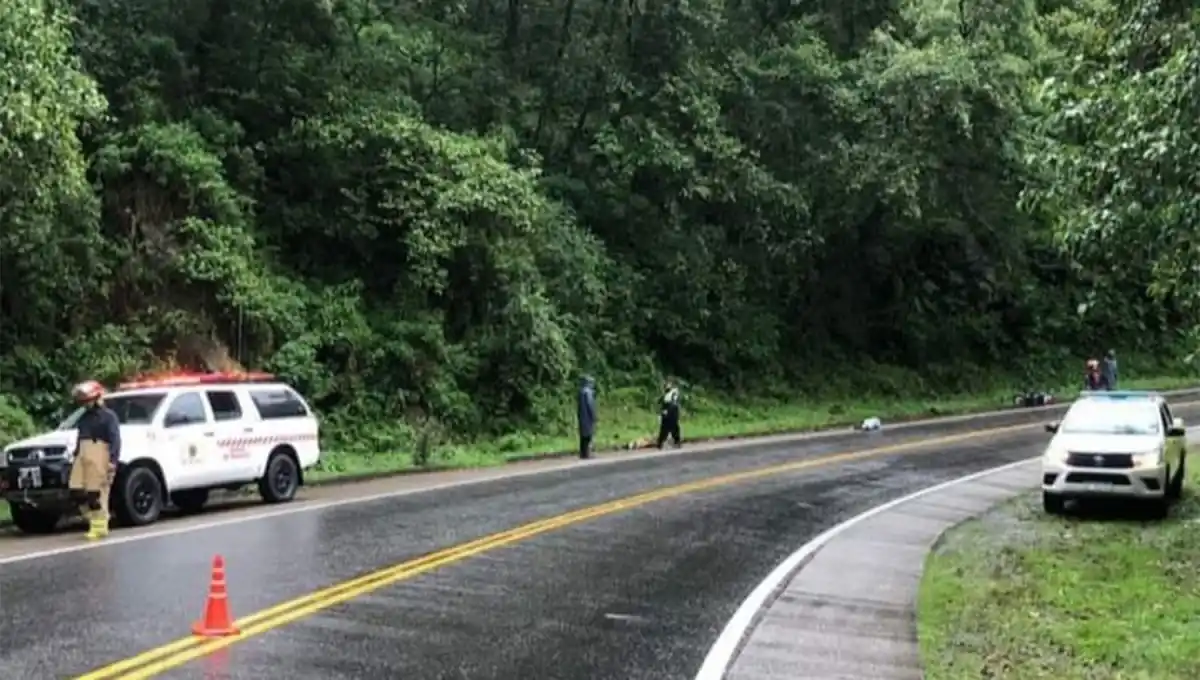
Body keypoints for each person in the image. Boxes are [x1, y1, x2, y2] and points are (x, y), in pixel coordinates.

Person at [68, 380, 122, 540]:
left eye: (88, 400)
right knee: (76, 489)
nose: (86, 404)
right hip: (83, 453)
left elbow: (115, 439)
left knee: (95, 492)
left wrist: (113, 459)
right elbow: (80, 436)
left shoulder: (108, 417)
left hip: (100, 452)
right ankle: (93, 517)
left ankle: (99, 525)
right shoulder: (84, 418)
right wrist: (77, 453)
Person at [657, 379, 682, 449]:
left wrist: (666, 411)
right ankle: (660, 443)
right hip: (668, 411)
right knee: (665, 428)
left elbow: (673, 403)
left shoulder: (674, 392)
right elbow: (661, 402)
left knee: (673, 427)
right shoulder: (666, 394)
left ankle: (676, 442)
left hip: (672, 411)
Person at [577, 376, 597, 459]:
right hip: (588, 417)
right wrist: (594, 415)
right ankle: (588, 453)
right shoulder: (588, 392)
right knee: (589, 435)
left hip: (581, 416)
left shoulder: (581, 392)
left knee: (583, 436)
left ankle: (582, 453)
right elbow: (590, 405)